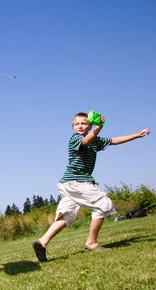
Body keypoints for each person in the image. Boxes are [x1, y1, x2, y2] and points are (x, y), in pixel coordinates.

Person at [32, 112, 150, 262]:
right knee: (103, 204)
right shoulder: (75, 139)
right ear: (73, 127)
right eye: (77, 124)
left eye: (84, 123)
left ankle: (42, 242)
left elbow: (114, 141)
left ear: (89, 125)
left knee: (67, 215)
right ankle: (91, 243)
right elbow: (86, 142)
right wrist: (99, 127)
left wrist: (137, 135)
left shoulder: (96, 140)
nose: (80, 126)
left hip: (69, 184)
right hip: (76, 182)